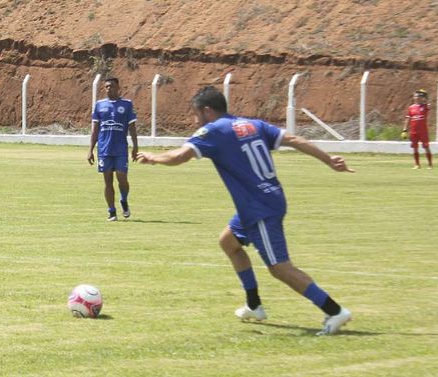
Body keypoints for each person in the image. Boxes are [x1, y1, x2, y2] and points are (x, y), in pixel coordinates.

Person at [136, 86, 354, 335]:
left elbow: (179, 156)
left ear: (207, 111)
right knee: (228, 242)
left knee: (279, 267)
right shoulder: (253, 125)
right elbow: (294, 139)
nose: (195, 120)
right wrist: (329, 160)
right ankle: (254, 305)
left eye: (196, 114)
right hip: (268, 200)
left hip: (259, 208)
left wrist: (153, 158)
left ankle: (334, 311)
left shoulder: (214, 130)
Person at [87, 77, 139, 221]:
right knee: (108, 181)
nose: (109, 89)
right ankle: (112, 211)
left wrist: (135, 146)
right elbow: (95, 130)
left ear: (118, 88)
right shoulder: (99, 105)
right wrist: (90, 149)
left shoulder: (127, 104)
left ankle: (123, 200)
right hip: (104, 149)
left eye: (112, 86)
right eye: (107, 87)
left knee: (122, 178)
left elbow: (132, 127)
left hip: (121, 149)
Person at [403, 89, 432, 169]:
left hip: (423, 131)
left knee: (426, 147)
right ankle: (417, 164)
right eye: (415, 96)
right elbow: (408, 119)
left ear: (421, 97)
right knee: (415, 148)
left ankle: (430, 164)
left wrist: (426, 96)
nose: (416, 97)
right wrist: (405, 129)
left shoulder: (425, 106)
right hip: (414, 131)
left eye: (418, 96)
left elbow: (429, 104)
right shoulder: (411, 108)